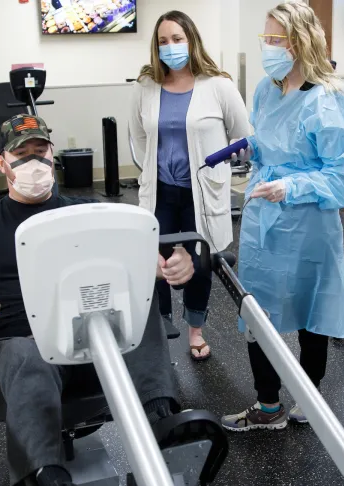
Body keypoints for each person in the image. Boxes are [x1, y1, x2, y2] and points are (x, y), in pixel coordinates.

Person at [0, 114, 196, 486]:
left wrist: (174, 265)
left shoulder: (88, 212)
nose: (33, 162)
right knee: (26, 351)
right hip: (16, 357)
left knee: (138, 308)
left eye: (41, 151)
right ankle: (52, 484)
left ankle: (164, 428)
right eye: (21, 154)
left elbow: (147, 267)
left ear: (53, 156)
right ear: (2, 163)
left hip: (93, 349)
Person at [220, 0, 344, 431]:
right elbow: (270, 142)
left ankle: (310, 397)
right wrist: (251, 150)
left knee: (309, 310)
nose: (267, 47)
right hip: (265, 218)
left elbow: (341, 178)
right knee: (258, 311)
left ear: (300, 43)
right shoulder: (267, 89)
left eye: (274, 40)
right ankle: (268, 407)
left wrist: (292, 186)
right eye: (264, 39)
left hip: (308, 222)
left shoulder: (331, 99)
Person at [131, 10, 250, 361]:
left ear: (192, 40)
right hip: (161, 191)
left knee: (199, 263)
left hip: (202, 192)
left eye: (177, 39)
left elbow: (243, 136)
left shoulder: (219, 86)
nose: (170, 47)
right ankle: (161, 332)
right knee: (157, 262)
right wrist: (150, 168)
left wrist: (219, 165)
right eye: (163, 41)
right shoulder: (146, 86)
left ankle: (195, 330)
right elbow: (137, 136)